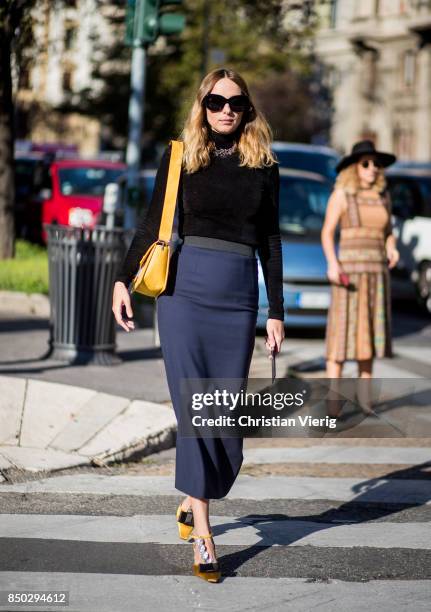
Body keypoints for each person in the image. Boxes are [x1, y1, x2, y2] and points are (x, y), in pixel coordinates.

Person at [112, 68, 285, 582]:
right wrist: (123, 279)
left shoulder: (264, 166)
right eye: (215, 101)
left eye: (235, 102)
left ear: (248, 109)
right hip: (183, 295)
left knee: (223, 416)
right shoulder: (180, 156)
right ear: (202, 106)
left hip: (237, 298)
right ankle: (205, 533)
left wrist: (275, 311)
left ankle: (194, 497)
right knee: (195, 408)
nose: (225, 110)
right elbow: (151, 224)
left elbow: (270, 243)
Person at [321, 140, 399, 389]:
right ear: (353, 167)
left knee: (370, 337)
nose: (372, 168)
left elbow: (388, 231)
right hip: (349, 276)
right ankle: (333, 402)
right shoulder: (342, 195)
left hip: (377, 275)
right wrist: (333, 265)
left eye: (376, 164)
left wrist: (391, 246)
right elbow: (327, 232)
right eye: (366, 163)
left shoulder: (383, 197)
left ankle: (365, 401)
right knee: (341, 337)